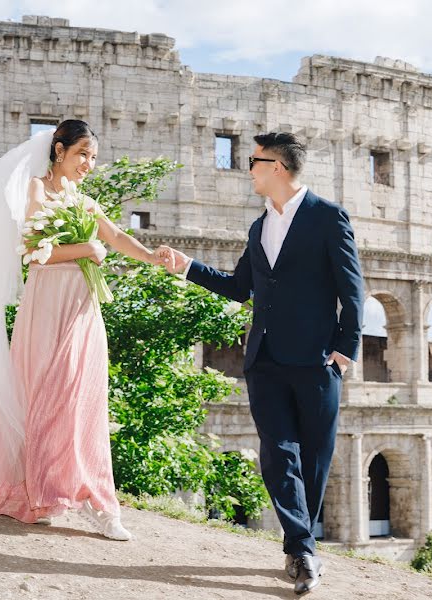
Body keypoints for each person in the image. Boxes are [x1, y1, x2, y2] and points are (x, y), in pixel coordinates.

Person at [0, 120, 175, 540]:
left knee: (83, 396)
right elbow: (34, 252)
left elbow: (117, 236)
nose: (88, 163)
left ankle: (97, 501)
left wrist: (153, 257)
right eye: (82, 153)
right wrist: (87, 248)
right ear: (59, 151)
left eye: (93, 157)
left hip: (81, 306)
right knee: (45, 394)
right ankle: (39, 492)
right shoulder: (36, 189)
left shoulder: (82, 199)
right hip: (46, 305)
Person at [161, 132, 364, 594]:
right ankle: (304, 548)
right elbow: (240, 287)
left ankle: (301, 547)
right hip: (266, 359)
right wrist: (187, 266)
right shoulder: (258, 227)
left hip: (316, 362)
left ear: (277, 166)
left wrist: (344, 351)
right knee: (278, 455)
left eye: (253, 161)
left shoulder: (327, 217)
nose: (246, 168)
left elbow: (352, 290)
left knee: (314, 459)